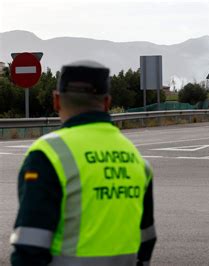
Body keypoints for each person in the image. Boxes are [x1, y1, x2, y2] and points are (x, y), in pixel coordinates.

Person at [10, 61, 156, 266]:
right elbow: (146, 240)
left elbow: (30, 247)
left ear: (56, 101)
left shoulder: (48, 155)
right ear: (106, 103)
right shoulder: (135, 159)